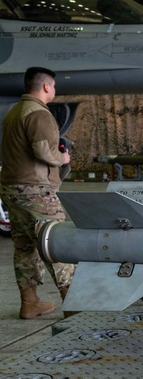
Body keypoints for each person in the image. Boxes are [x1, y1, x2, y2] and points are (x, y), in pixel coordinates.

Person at [0, 67, 74, 319]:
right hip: (35, 191)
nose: (54, 90)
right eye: (53, 86)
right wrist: (62, 157)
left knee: (24, 248)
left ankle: (29, 302)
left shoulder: (14, 113)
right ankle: (75, 303)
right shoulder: (39, 114)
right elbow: (44, 152)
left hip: (11, 189)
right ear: (45, 87)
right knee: (57, 243)